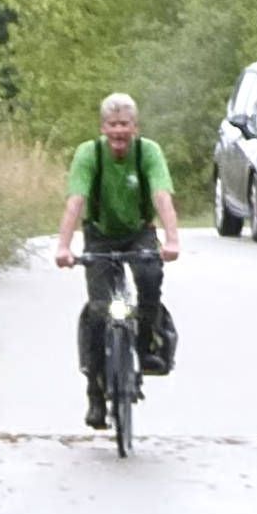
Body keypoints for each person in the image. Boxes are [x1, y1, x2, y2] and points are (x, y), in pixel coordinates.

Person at [53, 92, 182, 432]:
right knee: (99, 312)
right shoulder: (89, 154)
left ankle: (145, 344)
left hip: (139, 232)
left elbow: (161, 196)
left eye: (124, 124)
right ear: (103, 128)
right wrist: (64, 247)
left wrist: (172, 239)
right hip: (99, 234)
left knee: (150, 277)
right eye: (112, 125)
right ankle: (95, 392)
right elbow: (75, 201)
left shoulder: (148, 153)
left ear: (135, 127)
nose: (118, 132)